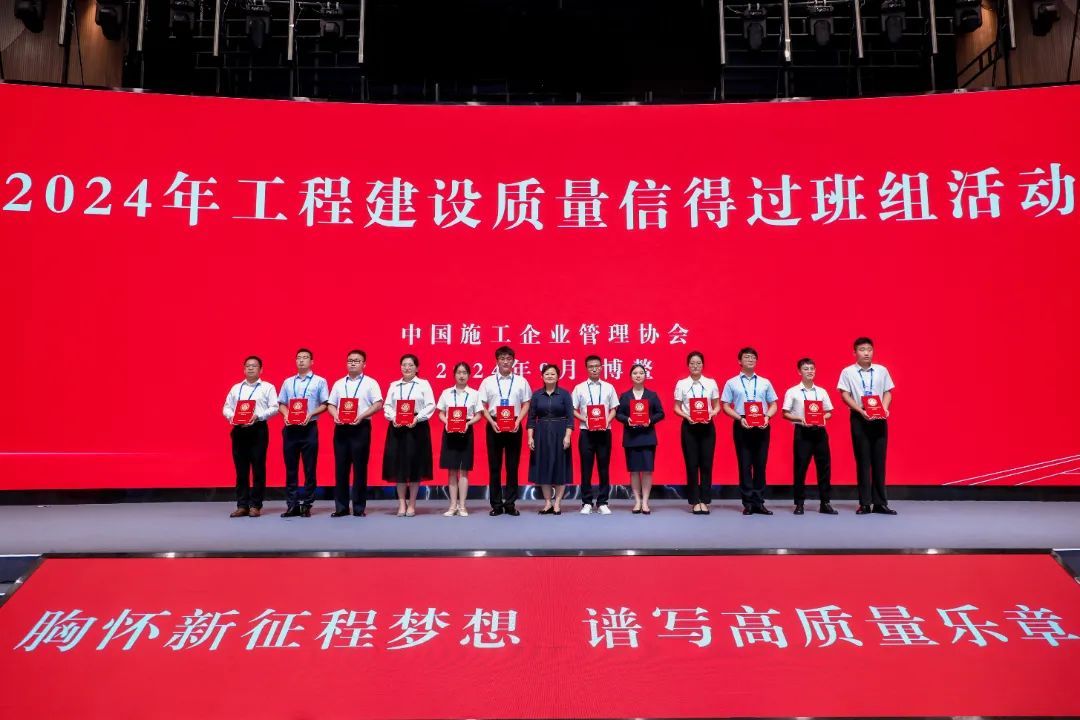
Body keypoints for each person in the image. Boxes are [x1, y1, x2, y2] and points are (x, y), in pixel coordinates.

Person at [837, 336, 897, 515]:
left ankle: (880, 503)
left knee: (879, 460)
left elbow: (888, 391)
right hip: (859, 416)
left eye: (869, 349)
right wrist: (859, 410)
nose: (866, 353)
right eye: (862, 349)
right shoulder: (848, 372)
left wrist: (884, 408)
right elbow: (844, 394)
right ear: (854, 352)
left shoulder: (881, 370)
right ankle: (864, 503)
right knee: (863, 461)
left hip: (879, 417)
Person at [722, 347, 779, 516]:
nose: (750, 360)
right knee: (745, 464)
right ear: (739, 361)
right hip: (742, 423)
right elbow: (725, 405)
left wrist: (767, 417)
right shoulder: (732, 382)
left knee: (761, 464)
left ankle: (759, 502)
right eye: (747, 357)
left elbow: (773, 404)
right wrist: (739, 418)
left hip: (762, 424)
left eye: (753, 357)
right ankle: (747, 503)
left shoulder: (764, 382)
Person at [326, 349, 383, 518]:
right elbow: (331, 404)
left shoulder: (371, 383)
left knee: (360, 468)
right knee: (340, 468)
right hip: (341, 428)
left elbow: (378, 404)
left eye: (357, 361)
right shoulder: (338, 383)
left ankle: (358, 507)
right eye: (350, 360)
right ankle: (341, 507)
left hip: (361, 427)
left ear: (364, 364)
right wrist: (335, 415)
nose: (352, 363)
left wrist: (362, 415)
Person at [478, 345, 532, 516]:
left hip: (514, 424)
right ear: (497, 361)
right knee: (494, 466)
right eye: (502, 359)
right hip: (494, 424)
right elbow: (481, 405)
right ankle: (496, 505)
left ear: (513, 361)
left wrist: (518, 420)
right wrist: (491, 422)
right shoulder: (488, 381)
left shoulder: (521, 381)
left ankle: (510, 504)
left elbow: (527, 403)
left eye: (509, 359)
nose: (506, 362)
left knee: (512, 466)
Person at [222, 355, 279, 518]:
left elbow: (274, 407)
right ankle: (242, 505)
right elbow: (226, 407)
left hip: (258, 430)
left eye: (254, 366)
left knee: (258, 469)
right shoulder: (236, 388)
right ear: (244, 369)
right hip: (239, 431)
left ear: (261, 369)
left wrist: (258, 416)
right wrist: (232, 417)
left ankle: (255, 505)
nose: (251, 368)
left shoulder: (267, 387)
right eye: (248, 366)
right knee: (241, 470)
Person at [277, 348, 329, 518]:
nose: (301, 360)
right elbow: (281, 403)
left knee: (309, 468)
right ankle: (292, 505)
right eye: (298, 357)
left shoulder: (320, 381)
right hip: (290, 429)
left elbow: (325, 404)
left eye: (305, 358)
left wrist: (310, 414)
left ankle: (307, 504)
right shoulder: (288, 382)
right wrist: (286, 415)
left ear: (311, 362)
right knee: (290, 469)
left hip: (309, 428)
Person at [382, 353, 436, 517]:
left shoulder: (423, 384)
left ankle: (412, 503)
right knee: (398, 466)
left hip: (417, 428)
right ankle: (401, 503)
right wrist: (394, 418)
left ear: (417, 368)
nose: (407, 368)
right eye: (404, 365)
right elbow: (387, 406)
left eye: (411, 365)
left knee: (415, 466)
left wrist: (417, 418)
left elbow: (430, 405)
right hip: (397, 428)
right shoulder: (394, 385)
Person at [781, 357, 837, 515]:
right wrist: (800, 419)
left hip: (820, 432)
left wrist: (823, 417)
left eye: (812, 368)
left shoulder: (822, 391)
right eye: (806, 369)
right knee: (800, 468)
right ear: (799, 372)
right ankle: (799, 504)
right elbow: (785, 413)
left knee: (824, 468)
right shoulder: (792, 391)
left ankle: (825, 503)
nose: (810, 371)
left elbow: (829, 412)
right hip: (802, 432)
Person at [672, 351, 721, 515]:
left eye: (698, 363)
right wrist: (686, 416)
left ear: (703, 365)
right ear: (688, 365)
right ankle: (694, 501)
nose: (695, 366)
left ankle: (705, 501)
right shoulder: (682, 384)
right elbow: (676, 407)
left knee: (706, 464)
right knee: (691, 464)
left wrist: (712, 414)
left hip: (707, 427)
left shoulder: (711, 383)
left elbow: (717, 406)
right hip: (689, 426)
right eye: (692, 363)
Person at [571, 355, 620, 514]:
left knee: (604, 468)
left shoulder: (609, 387)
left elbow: (614, 408)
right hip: (586, 432)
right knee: (586, 468)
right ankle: (586, 502)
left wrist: (607, 421)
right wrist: (584, 419)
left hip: (604, 432)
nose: (594, 369)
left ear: (601, 367)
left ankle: (602, 502)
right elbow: (572, 409)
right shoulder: (579, 388)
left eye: (597, 366)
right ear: (586, 368)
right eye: (591, 366)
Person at [615, 363, 665, 514]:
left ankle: (645, 502)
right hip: (631, 438)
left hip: (647, 437)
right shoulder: (625, 396)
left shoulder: (652, 395)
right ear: (631, 376)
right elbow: (618, 414)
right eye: (635, 373)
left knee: (648, 471)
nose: (638, 375)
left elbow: (661, 413)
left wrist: (650, 420)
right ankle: (637, 501)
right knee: (634, 471)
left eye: (641, 373)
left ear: (645, 376)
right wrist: (627, 420)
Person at [436, 362, 484, 517]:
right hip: (450, 432)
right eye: (459, 372)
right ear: (454, 375)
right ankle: (452, 506)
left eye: (464, 373)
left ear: (469, 375)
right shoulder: (446, 393)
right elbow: (440, 413)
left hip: (466, 431)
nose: (461, 375)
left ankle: (462, 506)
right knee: (451, 470)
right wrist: (447, 422)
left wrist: (468, 423)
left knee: (464, 471)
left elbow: (479, 414)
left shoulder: (474, 394)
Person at [527, 364, 574, 515]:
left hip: (560, 432)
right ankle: (548, 502)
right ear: (542, 376)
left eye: (553, 374)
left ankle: (558, 503)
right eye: (547, 374)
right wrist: (530, 437)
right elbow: (531, 418)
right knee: (543, 467)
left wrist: (567, 436)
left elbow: (570, 418)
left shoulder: (564, 394)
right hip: (541, 433)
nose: (550, 376)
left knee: (560, 467)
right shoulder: (536, 395)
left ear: (558, 376)